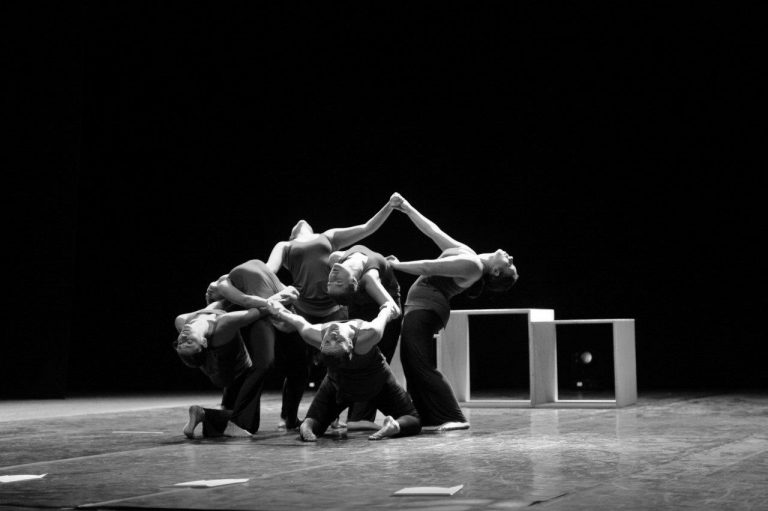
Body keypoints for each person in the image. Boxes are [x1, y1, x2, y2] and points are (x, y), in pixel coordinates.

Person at [387, 192, 518, 431]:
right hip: (422, 308)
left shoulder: (473, 266)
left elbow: (428, 267)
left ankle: (456, 417)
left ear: (496, 272)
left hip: (426, 309)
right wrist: (406, 207)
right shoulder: (469, 254)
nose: (510, 257)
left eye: (509, 264)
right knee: (412, 363)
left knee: (420, 364)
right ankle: (427, 416)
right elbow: (433, 231)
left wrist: (395, 265)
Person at [264, 200, 396, 419]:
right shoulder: (284, 246)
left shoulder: (328, 236)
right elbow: (268, 271)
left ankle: (331, 416)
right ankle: (289, 417)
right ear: (291, 235)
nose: (301, 222)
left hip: (334, 308)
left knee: (337, 363)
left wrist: (390, 206)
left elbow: (367, 228)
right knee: (298, 367)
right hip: (303, 308)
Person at [267, 300, 421, 442]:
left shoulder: (313, 334)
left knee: (316, 420)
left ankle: (307, 425)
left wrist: (278, 310)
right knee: (413, 418)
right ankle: (395, 426)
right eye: (335, 340)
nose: (333, 335)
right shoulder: (369, 334)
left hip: (342, 384)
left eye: (331, 340)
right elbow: (384, 315)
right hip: (374, 383)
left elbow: (297, 320)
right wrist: (388, 307)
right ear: (350, 345)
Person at [204, 259, 305, 430]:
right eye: (209, 296)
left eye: (208, 293)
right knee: (263, 365)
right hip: (269, 314)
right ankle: (239, 421)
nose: (208, 291)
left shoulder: (240, 275)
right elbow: (247, 301)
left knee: (299, 365)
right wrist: (275, 301)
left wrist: (282, 298)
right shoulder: (224, 283)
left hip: (282, 314)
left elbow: (291, 292)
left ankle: (290, 417)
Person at [326, 245, 402, 426]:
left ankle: (358, 418)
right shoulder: (367, 277)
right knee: (354, 360)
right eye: (336, 283)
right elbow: (394, 310)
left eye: (332, 283)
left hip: (375, 307)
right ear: (354, 281)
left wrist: (384, 265)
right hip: (367, 307)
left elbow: (394, 310)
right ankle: (344, 416)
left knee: (369, 362)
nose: (333, 277)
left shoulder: (336, 259)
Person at [174, 302, 270, 438]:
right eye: (189, 342)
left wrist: (223, 293)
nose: (183, 338)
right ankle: (211, 416)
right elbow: (262, 309)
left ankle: (203, 414)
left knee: (239, 415)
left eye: (180, 343)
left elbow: (216, 304)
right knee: (249, 423)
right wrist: (281, 297)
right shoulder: (224, 324)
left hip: (224, 371)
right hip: (235, 372)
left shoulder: (182, 321)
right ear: (203, 342)